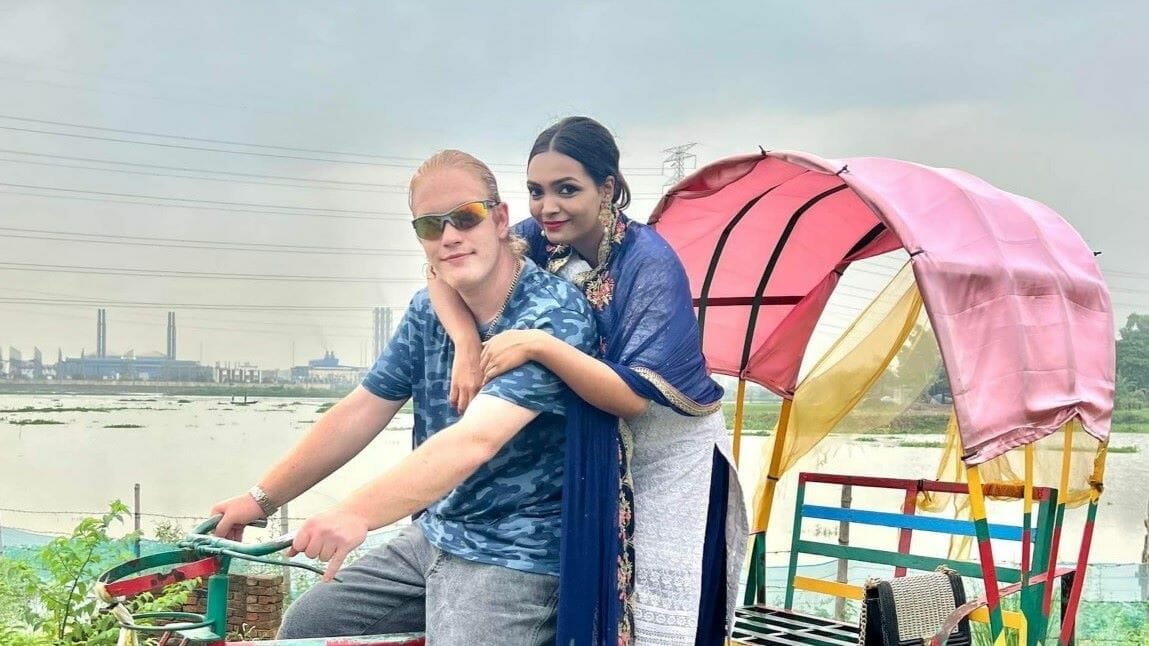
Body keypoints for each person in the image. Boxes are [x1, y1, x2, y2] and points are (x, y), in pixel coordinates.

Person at [209, 149, 598, 646]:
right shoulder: (428, 312)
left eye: (466, 217)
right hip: (437, 531)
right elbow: (362, 409)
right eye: (431, 226)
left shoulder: (551, 315)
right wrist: (260, 499)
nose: (450, 236)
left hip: (516, 549)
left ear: (501, 220)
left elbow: (474, 440)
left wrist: (355, 513)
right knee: (310, 626)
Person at [431, 117, 748, 646]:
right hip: (598, 441)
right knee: (595, 585)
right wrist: (466, 342)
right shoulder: (535, 239)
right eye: (536, 191)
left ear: (607, 188)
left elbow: (633, 398)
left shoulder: (649, 262)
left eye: (566, 189)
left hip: (667, 449)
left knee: (656, 609)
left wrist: (541, 344)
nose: (547, 207)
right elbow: (442, 270)